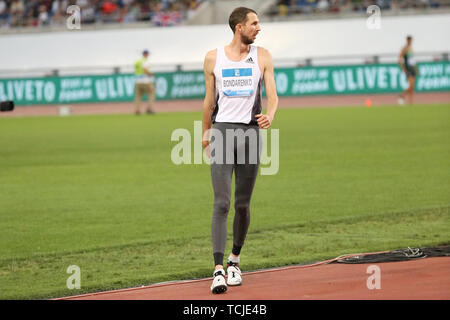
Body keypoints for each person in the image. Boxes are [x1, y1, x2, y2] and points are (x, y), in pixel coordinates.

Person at [202, 7, 278, 294]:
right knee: (221, 203)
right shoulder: (213, 58)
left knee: (243, 204)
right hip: (221, 132)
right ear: (239, 28)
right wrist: (205, 133)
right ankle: (218, 269)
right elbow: (209, 101)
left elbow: (273, 94)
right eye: (254, 23)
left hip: (250, 134)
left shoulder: (263, 56)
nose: (259, 28)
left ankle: (235, 260)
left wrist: (270, 114)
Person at [398, 35, 418, 105]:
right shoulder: (405, 49)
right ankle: (402, 95)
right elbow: (399, 60)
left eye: (411, 40)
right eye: (409, 40)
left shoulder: (411, 48)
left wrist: (416, 68)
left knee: (412, 88)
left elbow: (412, 60)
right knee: (411, 86)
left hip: (413, 69)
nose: (410, 42)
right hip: (408, 69)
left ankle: (411, 102)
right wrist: (403, 68)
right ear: (407, 40)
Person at [134, 49, 155, 115]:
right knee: (151, 93)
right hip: (145, 81)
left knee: (138, 96)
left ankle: (137, 110)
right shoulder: (145, 61)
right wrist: (150, 74)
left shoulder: (137, 62)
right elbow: (145, 70)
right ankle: (149, 109)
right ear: (146, 54)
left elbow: (137, 70)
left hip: (137, 81)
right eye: (147, 54)